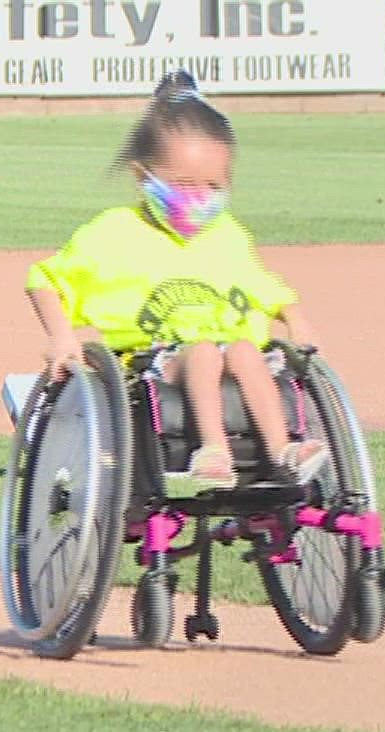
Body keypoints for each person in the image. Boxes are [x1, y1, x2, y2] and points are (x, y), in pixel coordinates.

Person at [25, 70, 330, 490]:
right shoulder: (113, 232)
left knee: (244, 350)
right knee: (205, 351)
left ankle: (284, 450)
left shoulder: (228, 235)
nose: (199, 198)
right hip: (152, 361)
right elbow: (45, 280)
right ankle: (214, 450)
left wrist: (295, 320)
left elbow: (267, 288)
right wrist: (62, 338)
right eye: (184, 185)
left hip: (229, 354)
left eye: (213, 186)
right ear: (142, 177)